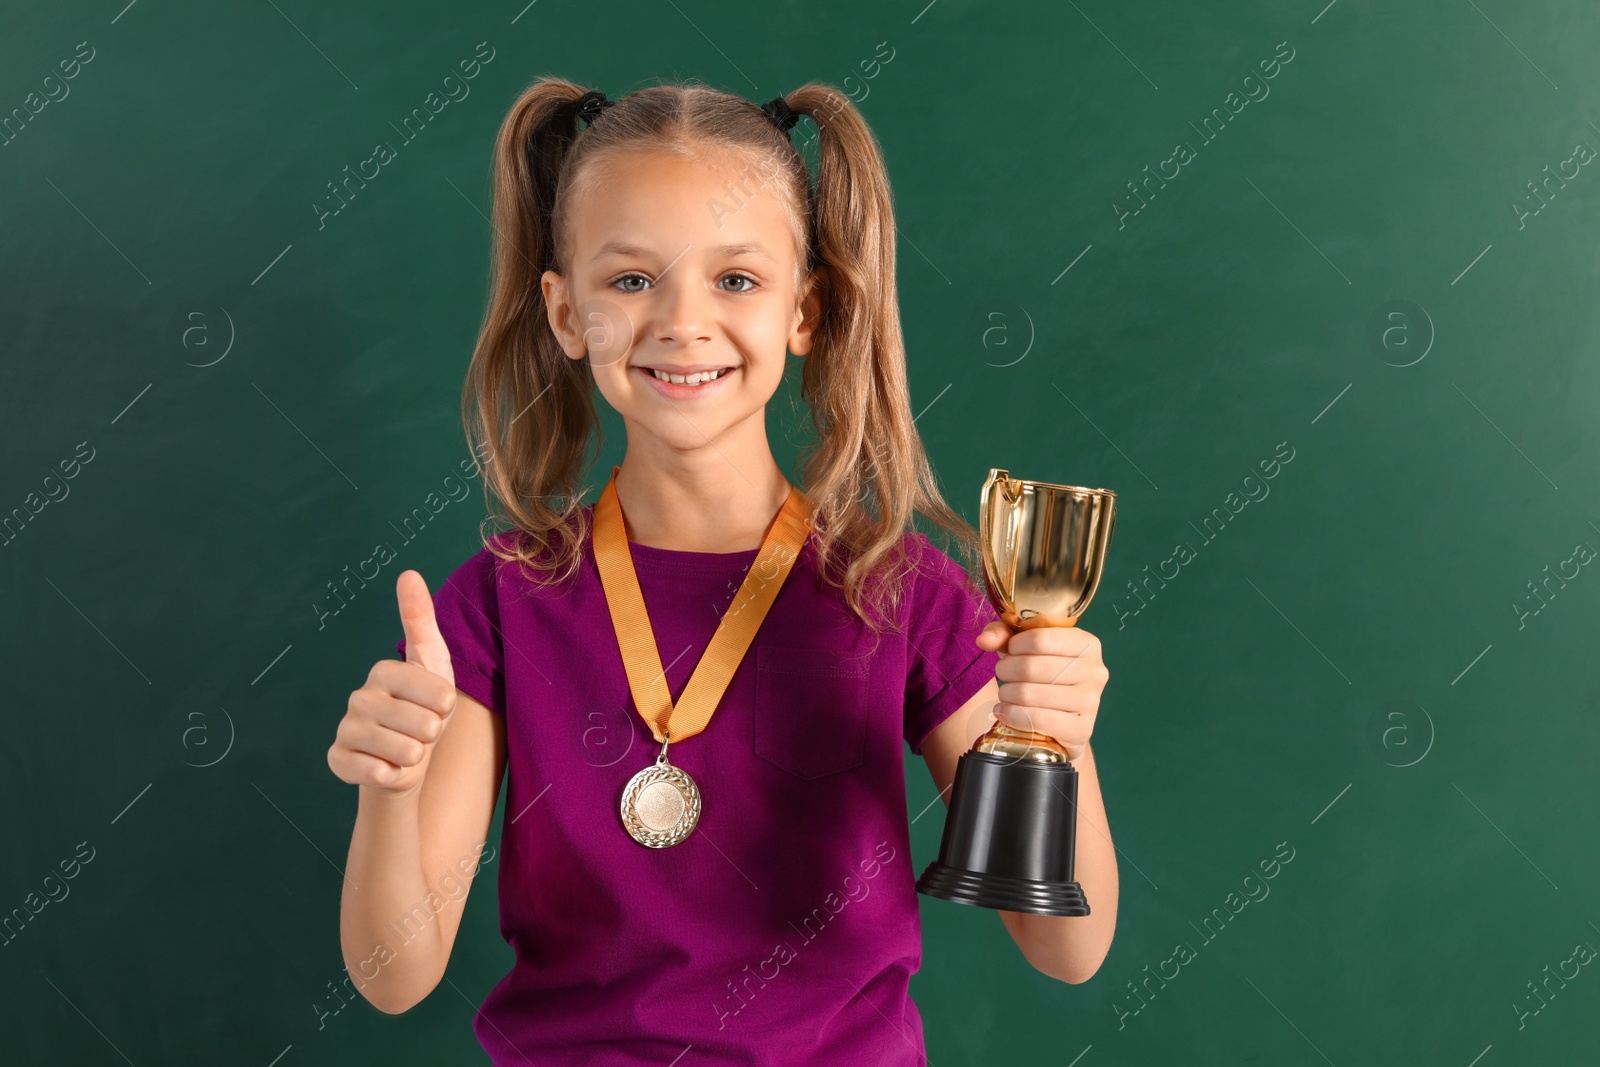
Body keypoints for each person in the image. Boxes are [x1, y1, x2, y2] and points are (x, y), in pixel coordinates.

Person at [327, 78, 1117, 1065]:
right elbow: (393, 973)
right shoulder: (496, 602)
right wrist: (387, 790)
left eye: (735, 279)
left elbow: (1066, 944)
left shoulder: (901, 592)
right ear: (567, 314)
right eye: (630, 281)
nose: (682, 322)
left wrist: (1059, 738)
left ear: (806, 309)